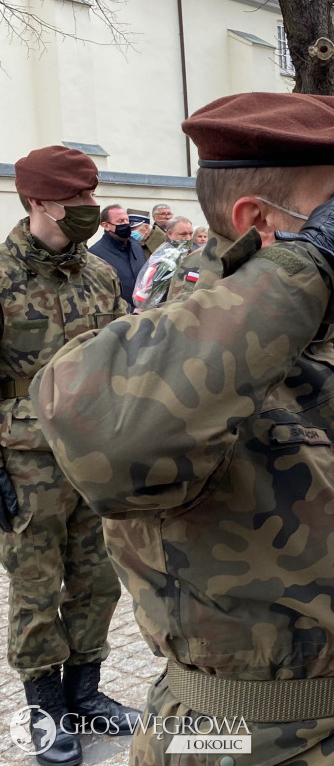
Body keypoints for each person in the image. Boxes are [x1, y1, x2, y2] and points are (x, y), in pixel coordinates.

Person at [32, 92, 334, 765]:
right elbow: (104, 431)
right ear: (259, 220)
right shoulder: (185, 359)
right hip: (244, 742)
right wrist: (303, 273)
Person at [2, 146, 139, 766]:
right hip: (26, 463)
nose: (88, 209)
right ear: (36, 201)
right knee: (36, 588)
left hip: (95, 457)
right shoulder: (1, 275)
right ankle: (45, 710)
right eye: (75, 200)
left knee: (98, 579)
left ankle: (85, 692)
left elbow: (120, 361)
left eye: (91, 197)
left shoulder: (100, 275)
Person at [90, 203, 148, 306]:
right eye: (120, 221)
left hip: (143, 312)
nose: (126, 224)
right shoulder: (95, 254)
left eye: (127, 220)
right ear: (106, 226)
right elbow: (100, 293)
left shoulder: (136, 247)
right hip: (118, 316)